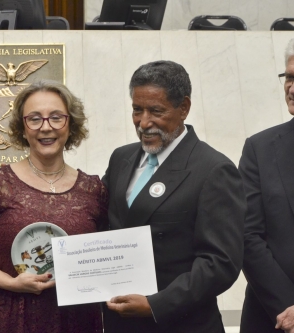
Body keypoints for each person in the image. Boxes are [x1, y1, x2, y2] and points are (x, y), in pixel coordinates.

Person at [102, 60, 246, 333]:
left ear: (184, 108)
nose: (144, 122)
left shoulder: (213, 170)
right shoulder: (121, 158)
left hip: (181, 323)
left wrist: (156, 304)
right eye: (136, 110)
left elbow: (220, 263)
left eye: (156, 111)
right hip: (119, 322)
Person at [0, 80, 108, 333]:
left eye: (56, 117)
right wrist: (11, 283)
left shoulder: (94, 189)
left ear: (70, 124)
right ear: (22, 128)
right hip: (12, 316)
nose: (46, 127)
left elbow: (104, 255)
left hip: (77, 319)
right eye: (35, 119)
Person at [239, 38, 294, 333]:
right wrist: (288, 307)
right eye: (290, 77)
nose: (292, 88)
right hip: (271, 317)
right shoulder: (259, 149)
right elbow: (247, 234)